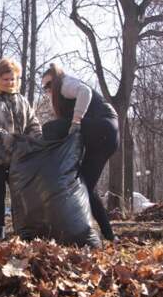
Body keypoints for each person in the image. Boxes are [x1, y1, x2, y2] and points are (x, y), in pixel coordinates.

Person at [40, 63, 119, 242]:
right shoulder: (60, 95)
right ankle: (110, 236)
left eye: (49, 84)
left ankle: (48, 167)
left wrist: (76, 122)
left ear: (57, 79)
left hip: (103, 126)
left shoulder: (65, 84)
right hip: (106, 138)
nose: (48, 89)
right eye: (44, 87)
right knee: (86, 187)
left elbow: (85, 92)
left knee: (50, 128)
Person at [0, 58, 42, 239]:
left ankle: (23, 231)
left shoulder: (21, 100)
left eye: (14, 79)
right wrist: (7, 138)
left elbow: (33, 123)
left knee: (21, 195)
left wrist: (36, 141)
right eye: (6, 79)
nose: (10, 83)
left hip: (18, 157)